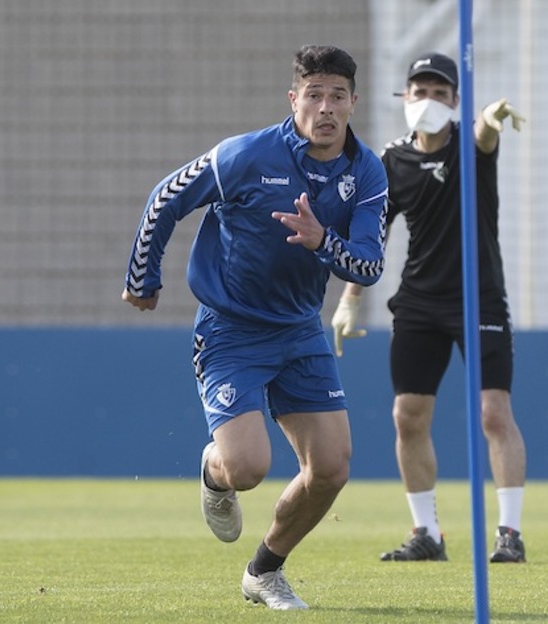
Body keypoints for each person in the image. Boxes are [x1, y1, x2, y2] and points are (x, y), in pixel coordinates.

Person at [121, 45, 388, 610]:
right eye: (313, 94)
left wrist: (323, 242)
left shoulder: (365, 171)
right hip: (231, 330)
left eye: (337, 96)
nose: (325, 107)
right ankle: (215, 471)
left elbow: (369, 264)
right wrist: (142, 279)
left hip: (300, 330)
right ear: (293, 100)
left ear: (353, 103)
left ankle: (264, 572)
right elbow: (165, 197)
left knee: (332, 469)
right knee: (248, 469)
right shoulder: (245, 155)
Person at [331, 52, 527, 563]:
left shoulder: (471, 149)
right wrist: (351, 298)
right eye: (420, 91)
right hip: (419, 302)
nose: (429, 100)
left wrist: (490, 116)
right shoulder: (390, 162)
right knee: (408, 416)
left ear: (455, 102)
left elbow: (486, 134)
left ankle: (510, 534)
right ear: (405, 98)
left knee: (493, 413)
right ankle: (427, 534)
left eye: (440, 93)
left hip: (480, 297)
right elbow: (371, 233)